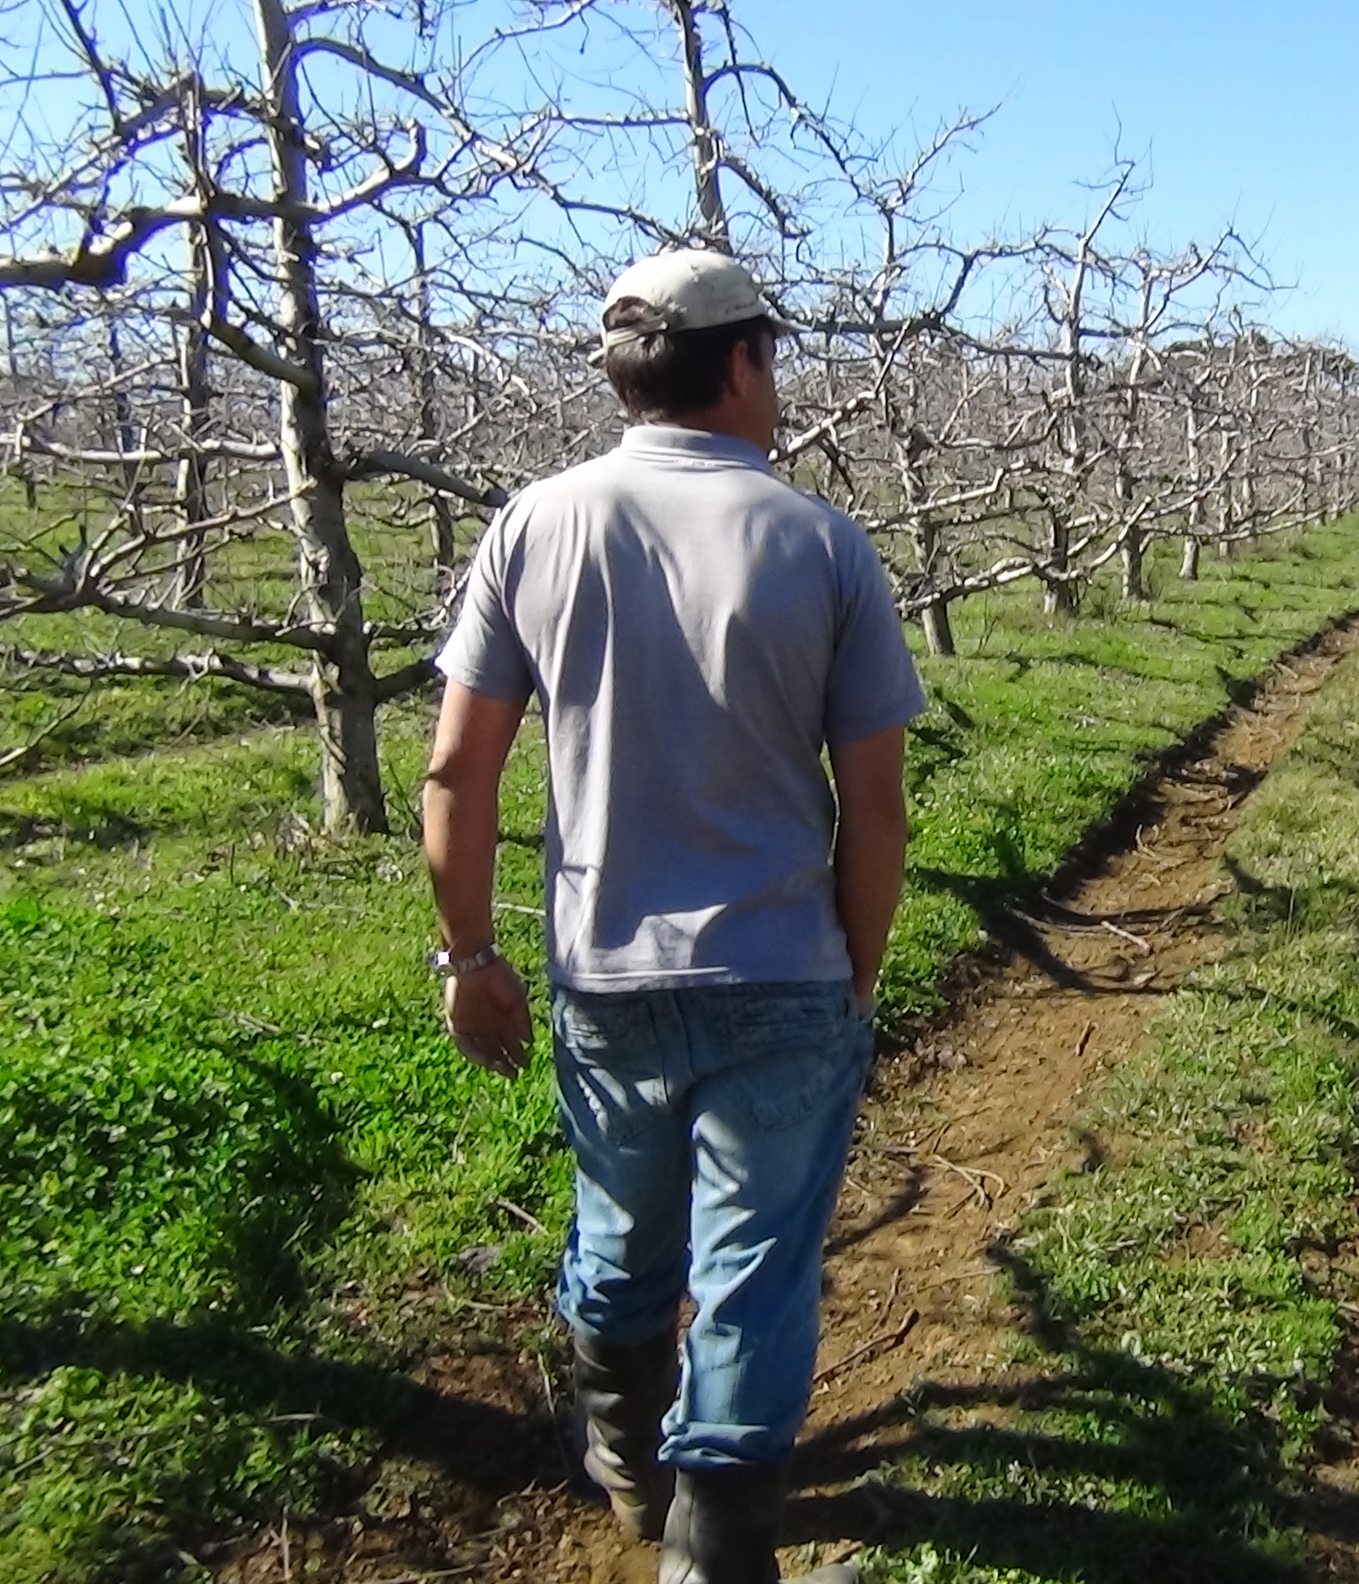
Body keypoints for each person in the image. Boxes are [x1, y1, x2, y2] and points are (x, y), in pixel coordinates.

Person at [421, 249, 923, 1584]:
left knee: (621, 1232)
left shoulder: (536, 525)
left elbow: (456, 770)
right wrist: (855, 974)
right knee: (755, 1273)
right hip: (782, 973)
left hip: (606, 975)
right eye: (773, 356)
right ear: (743, 362)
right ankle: (718, 1554)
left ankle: (629, 1465)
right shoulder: (820, 543)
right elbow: (874, 807)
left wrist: (469, 956)